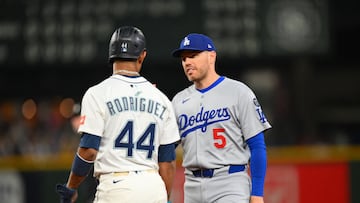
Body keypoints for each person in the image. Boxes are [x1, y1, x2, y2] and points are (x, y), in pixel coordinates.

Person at [56, 26, 180, 203]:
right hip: (153, 185)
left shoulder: (97, 93)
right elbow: (167, 163)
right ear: (142, 55)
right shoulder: (162, 99)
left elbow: (89, 151)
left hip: (116, 186)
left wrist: (71, 187)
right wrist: (164, 198)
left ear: (111, 54)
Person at [171, 33, 272, 203]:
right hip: (192, 186)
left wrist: (257, 194)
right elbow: (166, 148)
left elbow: (257, 146)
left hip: (229, 182)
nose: (187, 62)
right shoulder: (178, 101)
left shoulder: (238, 92)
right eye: (183, 59)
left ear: (211, 56)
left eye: (193, 56)